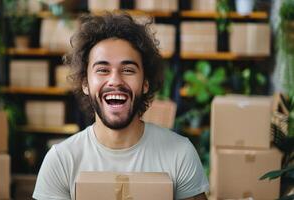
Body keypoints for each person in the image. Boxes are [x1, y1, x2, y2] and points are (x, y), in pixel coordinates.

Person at [33, 12, 209, 200]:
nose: (115, 80)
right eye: (102, 70)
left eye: (128, 70)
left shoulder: (179, 154)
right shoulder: (61, 161)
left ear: (145, 84)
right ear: (85, 83)